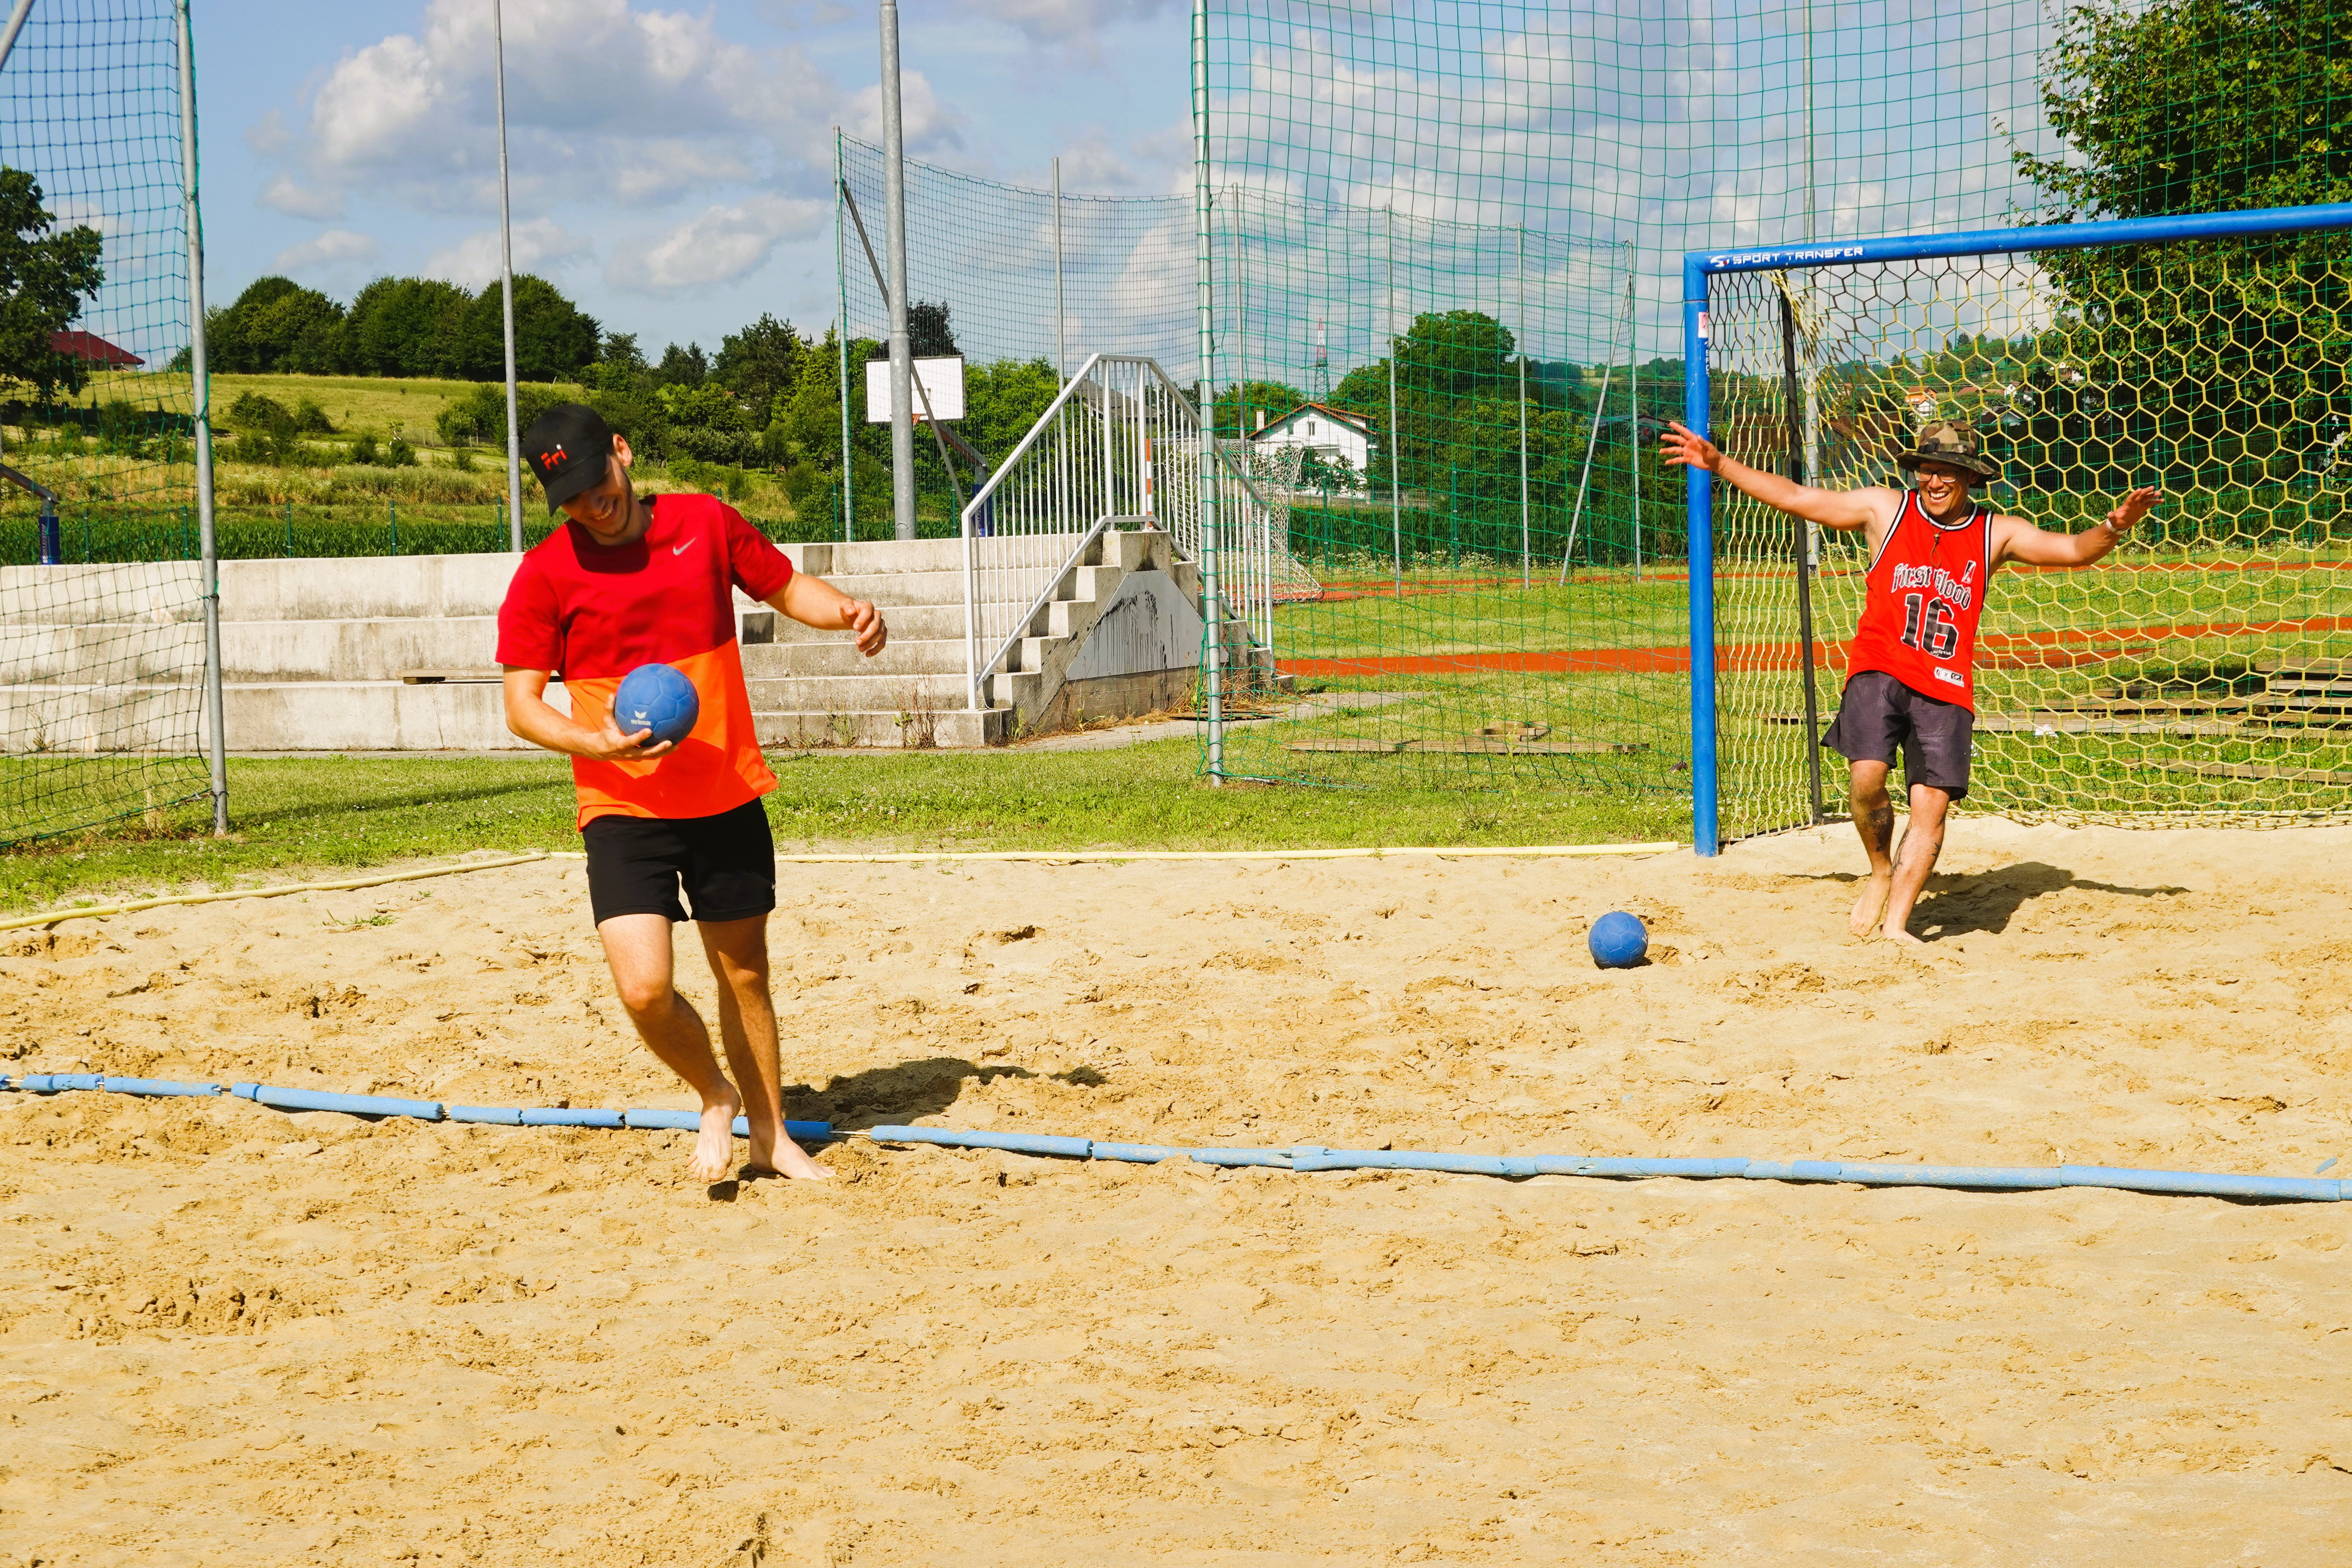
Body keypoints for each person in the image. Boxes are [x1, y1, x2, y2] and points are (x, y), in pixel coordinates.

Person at [496, 403, 887, 1180]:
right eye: (568, 495)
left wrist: (843, 611)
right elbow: (522, 705)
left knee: (744, 973)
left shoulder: (705, 523)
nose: (589, 502)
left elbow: (784, 587)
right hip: (623, 806)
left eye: (594, 480)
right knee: (644, 989)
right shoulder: (545, 573)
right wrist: (594, 740)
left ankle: (773, 1136)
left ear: (622, 450)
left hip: (723, 790)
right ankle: (714, 1092)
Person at [1660, 417, 2158, 944]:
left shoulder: (1997, 532)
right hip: (1880, 668)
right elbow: (1797, 497)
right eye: (1927, 470)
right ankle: (1880, 871)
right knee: (1867, 780)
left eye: (1948, 472)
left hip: (1945, 686)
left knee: (1931, 808)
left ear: (1970, 477)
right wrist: (1719, 465)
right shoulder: (1885, 509)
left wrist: (2116, 526)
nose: (1935, 482)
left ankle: (1898, 925)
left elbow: (2075, 550)